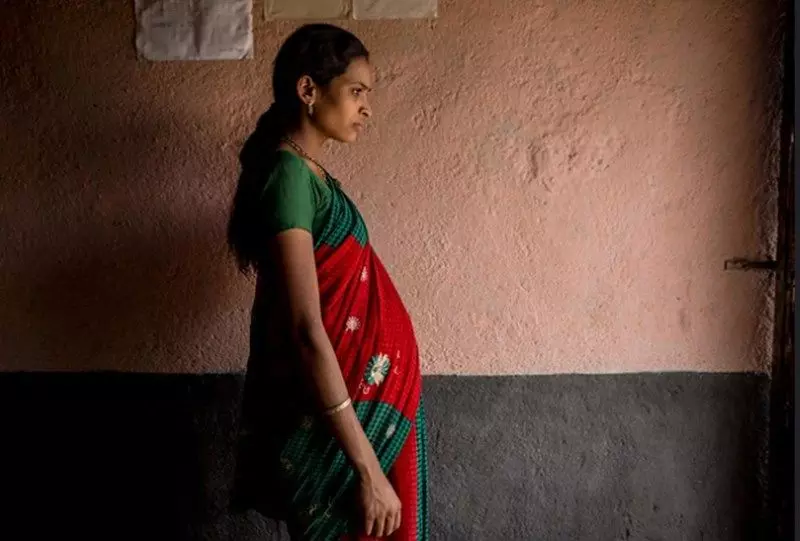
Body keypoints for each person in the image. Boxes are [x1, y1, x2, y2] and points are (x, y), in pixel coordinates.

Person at [227, 24, 429, 541]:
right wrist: (365, 467)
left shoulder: (311, 175)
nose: (367, 108)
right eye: (357, 91)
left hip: (369, 413)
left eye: (369, 95)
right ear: (308, 89)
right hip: (342, 432)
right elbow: (304, 329)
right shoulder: (290, 175)